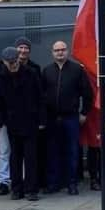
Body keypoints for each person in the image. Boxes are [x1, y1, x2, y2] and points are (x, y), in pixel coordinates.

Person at [0, 47, 45, 201]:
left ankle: (31, 190)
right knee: (14, 157)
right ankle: (16, 189)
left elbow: (40, 98)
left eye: (15, 62)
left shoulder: (31, 73)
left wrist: (42, 120)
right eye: (10, 63)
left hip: (30, 120)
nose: (13, 65)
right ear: (4, 62)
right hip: (12, 121)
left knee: (30, 157)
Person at [42, 41, 93, 195]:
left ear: (67, 51)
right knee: (52, 151)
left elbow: (87, 93)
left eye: (63, 50)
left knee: (72, 151)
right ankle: (53, 183)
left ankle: (72, 183)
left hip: (71, 117)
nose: (60, 53)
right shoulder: (46, 71)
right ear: (52, 52)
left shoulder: (77, 69)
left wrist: (84, 113)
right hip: (51, 117)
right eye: (57, 50)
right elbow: (41, 96)